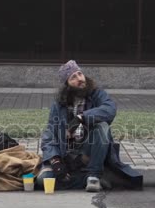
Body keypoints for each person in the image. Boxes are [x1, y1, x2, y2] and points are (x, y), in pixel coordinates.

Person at [37, 60, 116, 192]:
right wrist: (55, 161)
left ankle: (94, 175)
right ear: (67, 84)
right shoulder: (59, 104)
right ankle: (90, 179)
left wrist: (82, 117)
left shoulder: (97, 94)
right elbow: (50, 134)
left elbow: (110, 109)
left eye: (80, 74)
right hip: (67, 156)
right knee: (42, 181)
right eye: (73, 77)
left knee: (102, 126)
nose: (80, 78)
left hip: (89, 153)